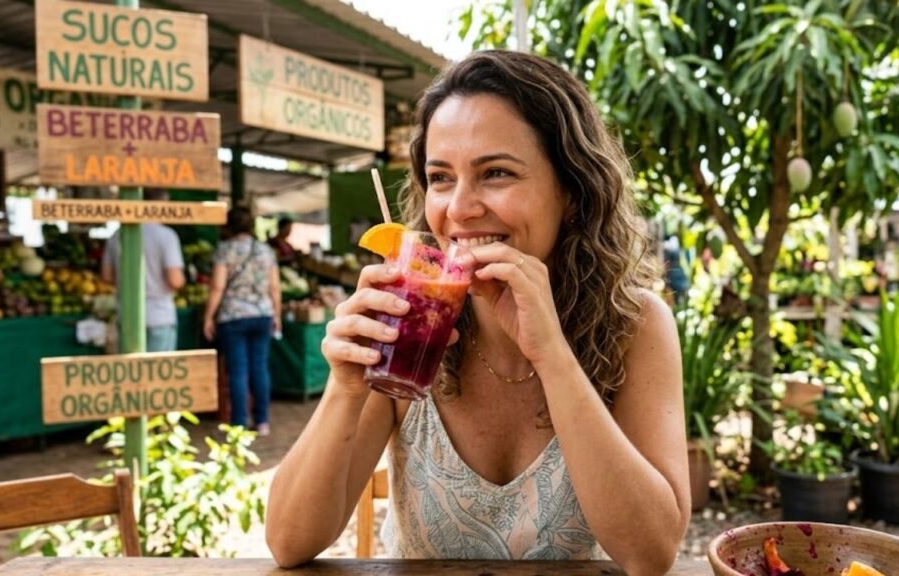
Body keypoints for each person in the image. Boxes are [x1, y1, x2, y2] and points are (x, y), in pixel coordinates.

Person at [265, 50, 689, 574]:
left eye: (496, 173)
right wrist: (345, 389)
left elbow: (651, 555)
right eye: (441, 178)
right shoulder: (409, 327)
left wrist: (553, 355)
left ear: (573, 192)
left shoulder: (636, 325)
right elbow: (289, 542)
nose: (459, 209)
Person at [203, 206, 282, 435]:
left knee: (238, 370)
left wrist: (209, 316)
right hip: (262, 314)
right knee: (259, 367)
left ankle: (238, 423)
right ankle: (262, 422)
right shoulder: (266, 251)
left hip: (233, 316)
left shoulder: (225, 250)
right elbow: (274, 288)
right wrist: (276, 314)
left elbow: (217, 286)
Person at [101, 189, 185, 353]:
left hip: (126, 316)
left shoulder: (116, 236)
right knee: (159, 376)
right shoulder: (166, 236)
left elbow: (107, 276)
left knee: (128, 376)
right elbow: (175, 280)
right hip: (159, 315)